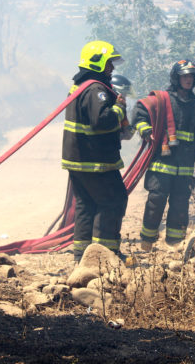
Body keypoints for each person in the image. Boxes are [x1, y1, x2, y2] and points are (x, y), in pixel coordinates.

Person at [61, 40, 128, 262]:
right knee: (113, 200)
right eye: (109, 63)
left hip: (79, 160)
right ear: (98, 63)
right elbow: (102, 120)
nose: (112, 68)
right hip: (95, 162)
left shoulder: (80, 85)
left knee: (86, 204)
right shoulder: (96, 89)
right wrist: (119, 108)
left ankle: (81, 256)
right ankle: (105, 257)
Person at [134, 59, 195, 250]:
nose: (188, 80)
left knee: (180, 204)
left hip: (184, 166)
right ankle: (147, 240)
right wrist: (145, 130)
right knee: (156, 200)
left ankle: (174, 243)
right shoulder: (162, 99)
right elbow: (139, 110)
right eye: (185, 76)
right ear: (176, 78)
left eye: (192, 76)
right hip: (162, 162)